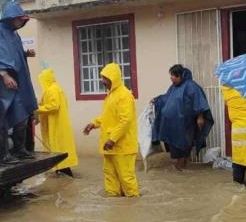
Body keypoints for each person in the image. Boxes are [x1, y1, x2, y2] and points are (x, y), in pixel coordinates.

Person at [83, 63, 140, 197]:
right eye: (102, 78)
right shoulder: (111, 95)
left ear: (113, 78)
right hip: (110, 146)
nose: (102, 81)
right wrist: (93, 124)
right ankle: (113, 202)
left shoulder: (124, 95)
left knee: (126, 177)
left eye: (105, 78)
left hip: (122, 146)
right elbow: (107, 116)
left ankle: (133, 202)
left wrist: (112, 139)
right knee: (110, 175)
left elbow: (125, 121)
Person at [152, 64, 214, 171]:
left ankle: (181, 169)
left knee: (184, 147)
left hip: (186, 123)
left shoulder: (191, 86)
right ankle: (185, 170)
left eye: (172, 76)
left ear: (179, 75)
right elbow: (166, 98)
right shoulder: (173, 87)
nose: (171, 78)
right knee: (178, 148)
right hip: (173, 125)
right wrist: (156, 100)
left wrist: (200, 117)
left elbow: (199, 101)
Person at [0, 2, 37, 163]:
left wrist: (25, 54)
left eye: (23, 20)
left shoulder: (15, 35)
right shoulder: (0, 32)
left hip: (19, 81)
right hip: (4, 85)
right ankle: (3, 155)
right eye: (19, 19)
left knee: (23, 116)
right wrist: (4, 74)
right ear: (10, 18)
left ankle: (19, 149)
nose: (21, 22)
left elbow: (13, 54)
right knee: (2, 118)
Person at [36, 69, 78, 177]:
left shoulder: (52, 90)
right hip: (57, 124)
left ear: (45, 80)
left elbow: (53, 106)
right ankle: (61, 174)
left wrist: (37, 109)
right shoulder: (56, 88)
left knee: (58, 151)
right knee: (58, 152)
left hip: (56, 125)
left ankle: (64, 176)